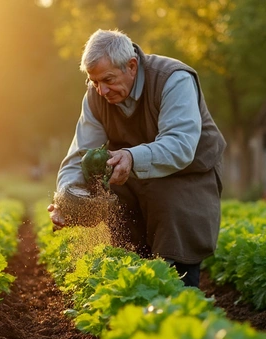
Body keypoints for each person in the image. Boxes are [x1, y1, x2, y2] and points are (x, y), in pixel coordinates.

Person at [48, 29, 225, 288]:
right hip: (131, 180)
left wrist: (131, 156)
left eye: (107, 79)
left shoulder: (173, 79)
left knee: (175, 261)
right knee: (129, 257)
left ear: (131, 66)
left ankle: (182, 311)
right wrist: (67, 195)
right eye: (94, 81)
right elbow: (80, 154)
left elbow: (180, 145)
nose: (102, 90)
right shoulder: (96, 96)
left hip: (185, 177)